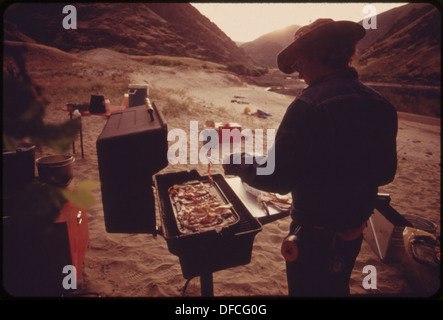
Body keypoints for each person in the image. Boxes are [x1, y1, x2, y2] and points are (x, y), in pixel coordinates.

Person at [223, 18, 398, 297]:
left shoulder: (308, 105)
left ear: (316, 55)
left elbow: (277, 176)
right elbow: (385, 172)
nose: (298, 71)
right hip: (353, 231)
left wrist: (238, 161)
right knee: (336, 288)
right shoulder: (382, 104)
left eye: (298, 61)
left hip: (314, 235)